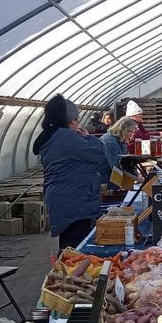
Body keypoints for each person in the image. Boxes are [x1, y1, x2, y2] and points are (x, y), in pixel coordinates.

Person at [32, 95, 109, 250]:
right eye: (77, 119)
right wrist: (88, 138)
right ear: (72, 120)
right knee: (75, 249)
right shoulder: (66, 138)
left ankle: (64, 272)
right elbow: (99, 153)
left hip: (64, 199)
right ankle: (65, 273)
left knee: (69, 245)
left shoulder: (52, 136)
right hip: (75, 202)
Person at [100, 116, 138, 188]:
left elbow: (127, 161)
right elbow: (116, 166)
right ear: (123, 130)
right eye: (131, 132)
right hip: (106, 181)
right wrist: (135, 178)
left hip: (114, 179)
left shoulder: (121, 140)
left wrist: (136, 174)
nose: (132, 135)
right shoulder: (109, 141)